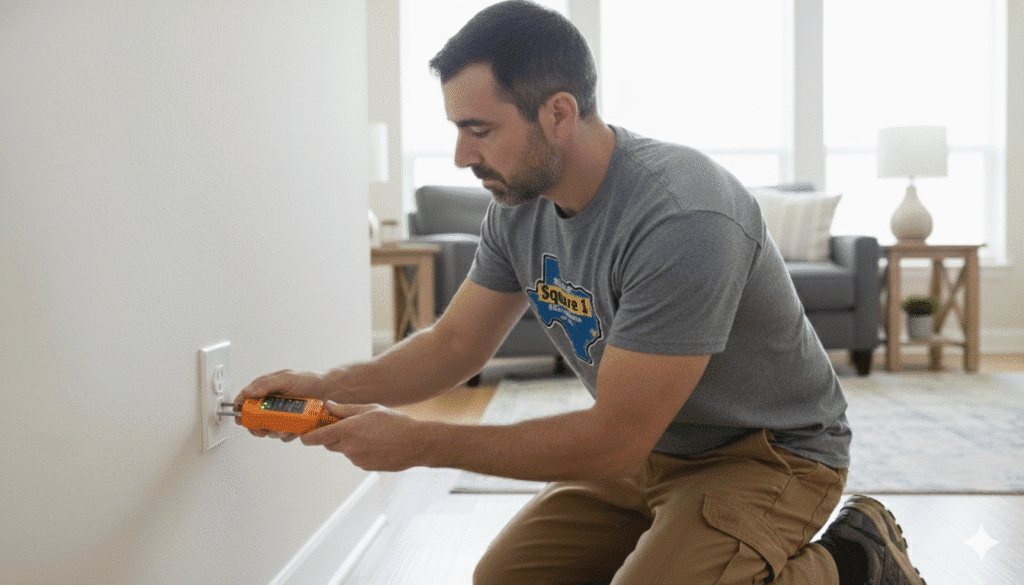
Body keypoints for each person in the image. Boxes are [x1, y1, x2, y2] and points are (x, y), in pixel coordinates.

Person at [236, 2, 926, 583]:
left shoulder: (681, 216)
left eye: (479, 130)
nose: (461, 156)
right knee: (502, 579)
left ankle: (854, 558)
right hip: (654, 448)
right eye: (457, 130)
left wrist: (419, 442)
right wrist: (330, 386)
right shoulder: (517, 204)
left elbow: (612, 442)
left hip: (770, 451)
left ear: (558, 114)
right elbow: (453, 343)